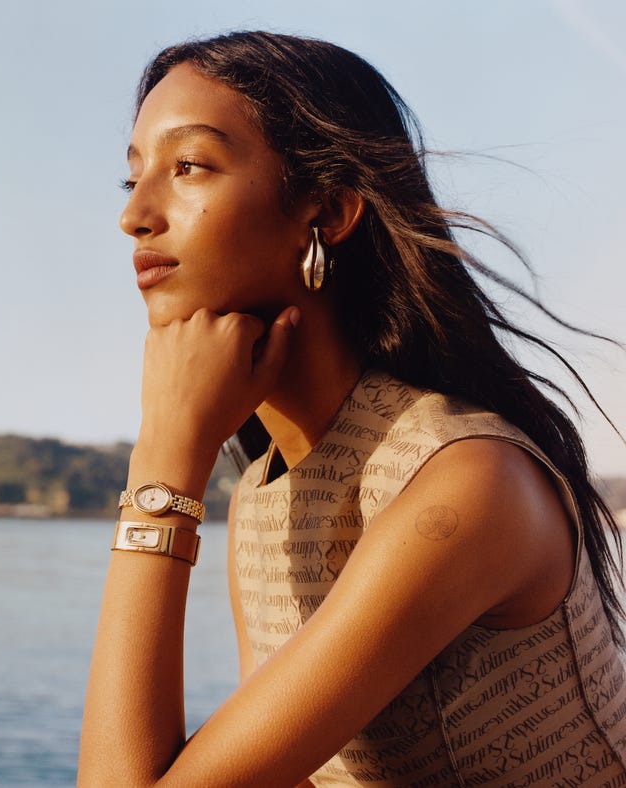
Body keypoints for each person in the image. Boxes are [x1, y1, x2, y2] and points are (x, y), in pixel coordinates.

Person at [78, 31, 626, 787]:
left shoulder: (465, 481)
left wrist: (165, 458)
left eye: (189, 166)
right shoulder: (266, 497)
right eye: (132, 178)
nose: (135, 216)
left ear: (328, 211)